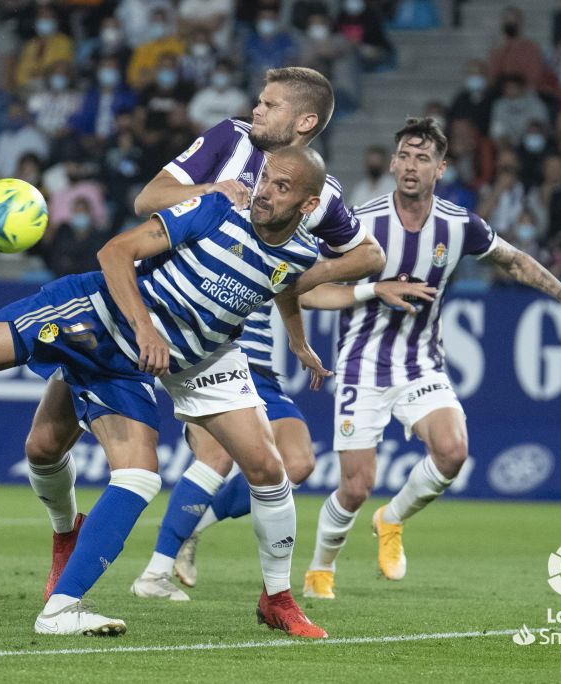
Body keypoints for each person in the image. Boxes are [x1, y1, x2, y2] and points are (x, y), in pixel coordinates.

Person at [0, 145, 333, 638]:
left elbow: (283, 284)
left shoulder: (301, 251)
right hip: (98, 316)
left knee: (151, 473)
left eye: (281, 187)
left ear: (308, 206)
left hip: (158, 360)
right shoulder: (217, 209)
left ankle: (68, 609)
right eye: (266, 178)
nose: (265, 191)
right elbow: (116, 251)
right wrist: (146, 329)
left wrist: (298, 341)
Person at [296, 117, 561, 599]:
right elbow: (302, 290)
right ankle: (321, 569)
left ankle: (392, 519)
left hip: (422, 362)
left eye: (422, 158)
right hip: (363, 364)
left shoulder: (458, 224)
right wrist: (374, 288)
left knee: (453, 450)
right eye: (403, 155)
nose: (409, 165)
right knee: (356, 486)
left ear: (441, 169)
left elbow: (513, 260)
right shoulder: (360, 225)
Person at [124, 67, 384, 599]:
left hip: (257, 355)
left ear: (305, 121)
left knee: (298, 464)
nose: (257, 110)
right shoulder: (229, 139)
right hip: (195, 333)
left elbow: (371, 254)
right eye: (259, 101)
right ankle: (154, 571)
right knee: (218, 455)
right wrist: (213, 189)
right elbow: (148, 198)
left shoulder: (319, 193)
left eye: (270, 104)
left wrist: (298, 285)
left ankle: (191, 528)